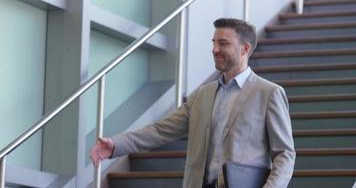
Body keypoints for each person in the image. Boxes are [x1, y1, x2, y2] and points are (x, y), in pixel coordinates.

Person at [90, 18, 295, 188]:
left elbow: (285, 154)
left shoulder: (269, 93)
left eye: (223, 43)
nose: (214, 49)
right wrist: (117, 144)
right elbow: (160, 131)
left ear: (245, 49)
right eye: (213, 42)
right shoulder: (202, 95)